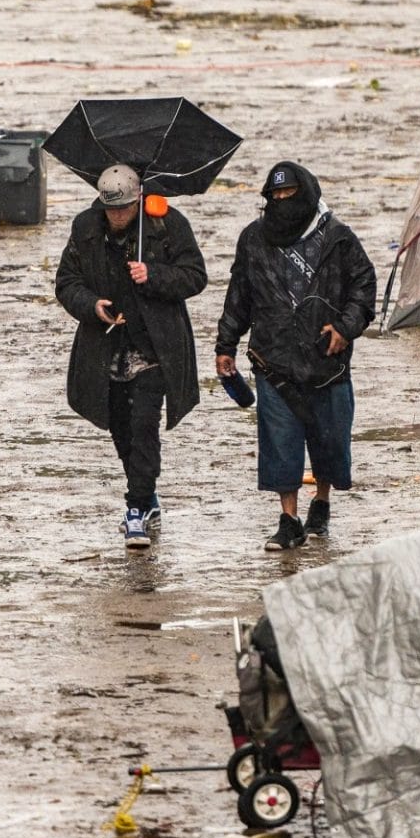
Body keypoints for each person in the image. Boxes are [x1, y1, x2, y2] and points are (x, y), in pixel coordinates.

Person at [214, 162, 376, 552]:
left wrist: (345, 328)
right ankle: (289, 520)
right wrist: (225, 345)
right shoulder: (253, 239)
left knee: (330, 441)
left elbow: (364, 286)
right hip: (273, 361)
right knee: (280, 443)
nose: (283, 203)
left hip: (327, 362)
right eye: (276, 197)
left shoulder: (337, 237)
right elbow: (239, 294)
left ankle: (321, 501)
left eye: (290, 196)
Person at [55, 164, 207, 549]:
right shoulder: (85, 228)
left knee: (144, 426)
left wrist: (153, 275)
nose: (117, 217)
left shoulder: (167, 224)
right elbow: (66, 282)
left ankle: (136, 509)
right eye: (111, 210)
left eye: (123, 209)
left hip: (155, 348)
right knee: (121, 429)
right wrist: (93, 305)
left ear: (138, 199)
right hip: (106, 346)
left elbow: (195, 275)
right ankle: (147, 494)